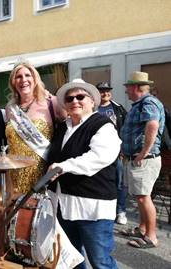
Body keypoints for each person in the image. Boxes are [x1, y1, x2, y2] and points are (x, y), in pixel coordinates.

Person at [48, 78, 121, 269]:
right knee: (72, 259)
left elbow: (100, 156)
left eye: (80, 96)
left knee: (100, 261)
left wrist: (64, 166)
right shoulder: (63, 127)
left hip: (92, 207)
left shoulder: (103, 125)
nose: (74, 101)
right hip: (64, 205)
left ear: (92, 101)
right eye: (70, 98)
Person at [5, 62, 65, 193]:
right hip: (14, 174)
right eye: (18, 76)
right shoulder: (10, 108)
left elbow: (71, 129)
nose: (23, 80)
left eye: (28, 75)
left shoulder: (51, 102)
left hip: (41, 175)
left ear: (35, 79)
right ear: (13, 82)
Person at [120, 71, 164, 249]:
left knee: (144, 198)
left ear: (136, 87)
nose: (126, 91)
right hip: (139, 159)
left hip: (144, 160)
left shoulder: (148, 102)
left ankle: (151, 237)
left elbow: (152, 124)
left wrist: (143, 152)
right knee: (140, 197)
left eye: (128, 87)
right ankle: (142, 229)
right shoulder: (141, 103)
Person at [96, 81, 128, 225]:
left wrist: (123, 148)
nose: (105, 93)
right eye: (102, 91)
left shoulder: (118, 108)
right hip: (97, 152)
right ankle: (102, 211)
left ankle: (120, 211)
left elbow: (126, 128)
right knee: (99, 181)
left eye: (108, 90)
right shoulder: (92, 108)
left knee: (119, 182)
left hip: (117, 152)